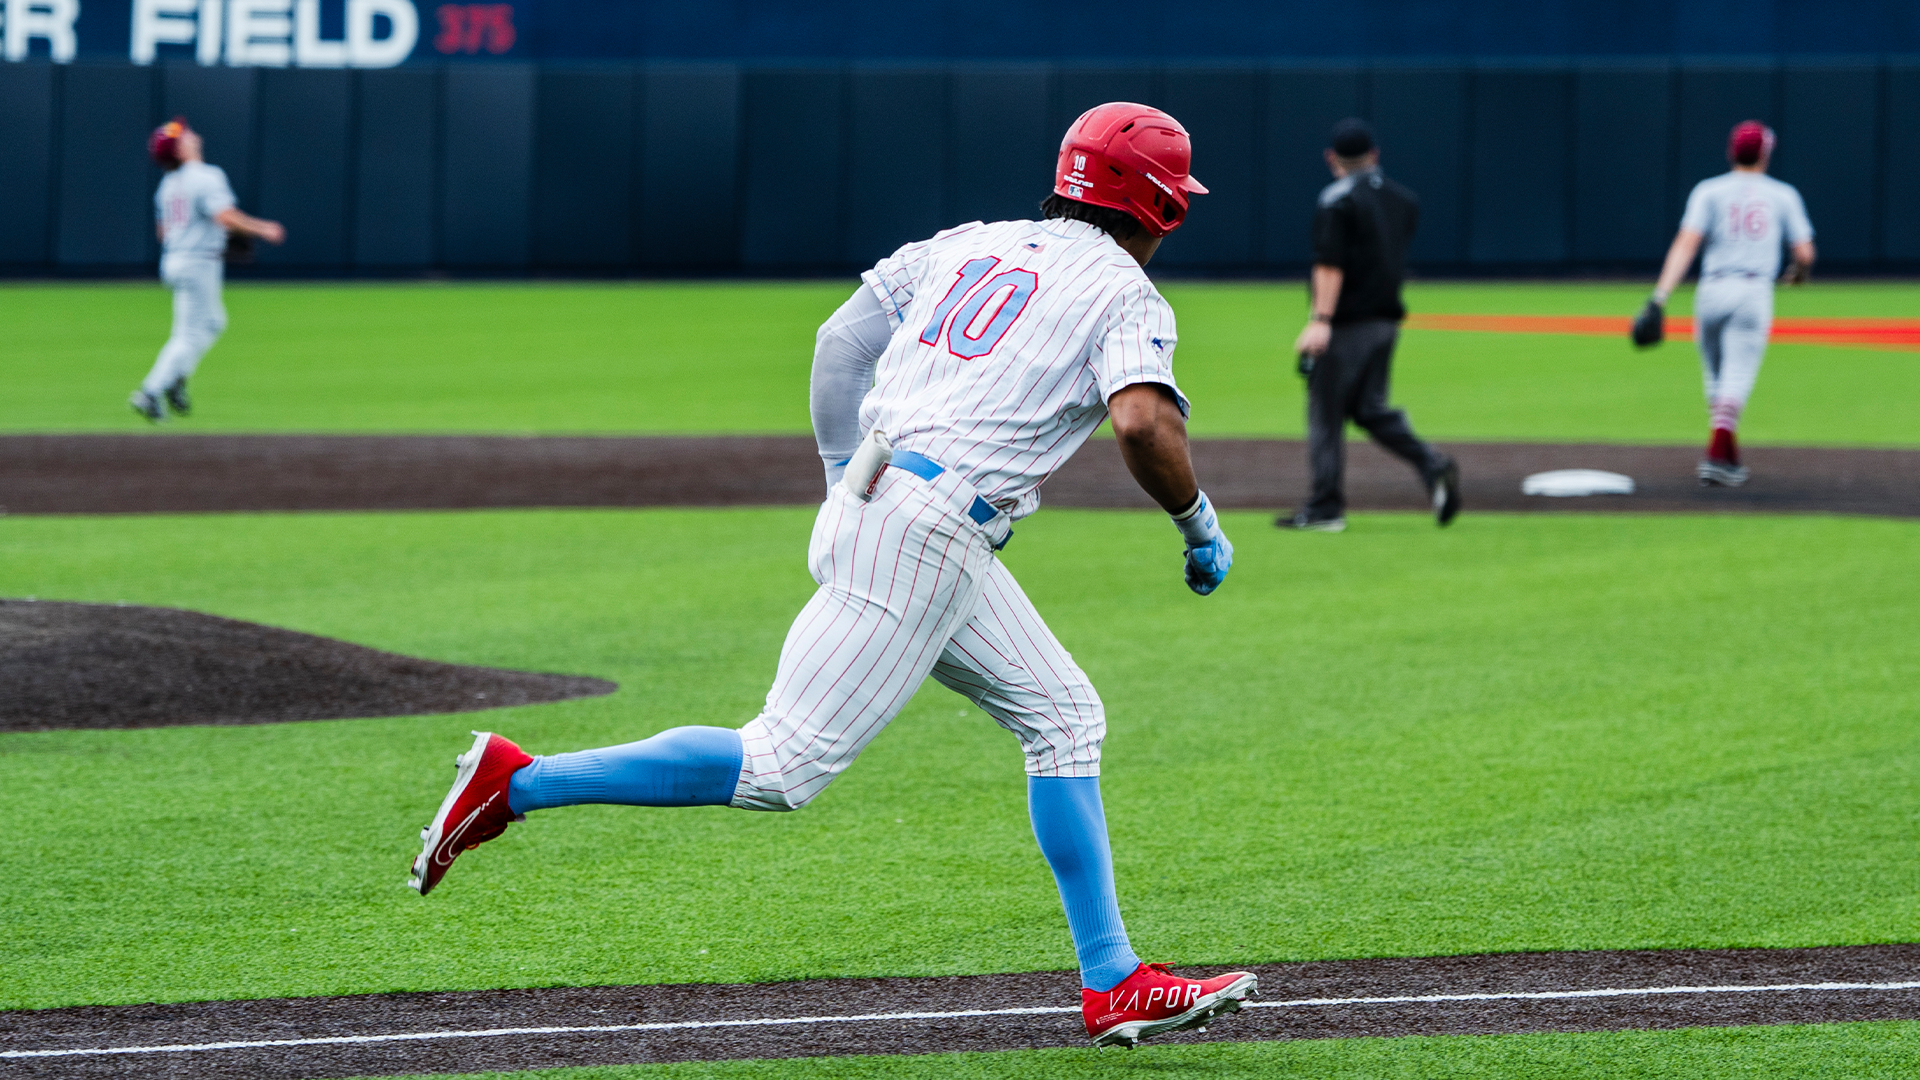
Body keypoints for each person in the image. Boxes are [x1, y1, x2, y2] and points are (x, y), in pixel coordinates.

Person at [406, 102, 1258, 1049]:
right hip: (928, 530)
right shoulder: (1128, 295)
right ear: (1162, 207)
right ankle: (515, 784)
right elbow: (1144, 424)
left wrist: (843, 482)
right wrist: (1196, 521)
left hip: (890, 497)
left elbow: (838, 344)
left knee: (1063, 717)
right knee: (782, 764)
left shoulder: (971, 240)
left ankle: (1114, 981)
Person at [1283, 118, 1458, 532]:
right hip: (1386, 322)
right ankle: (1433, 464)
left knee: (1326, 412)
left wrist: (1320, 320)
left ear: (1331, 158)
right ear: (1375, 155)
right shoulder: (1404, 200)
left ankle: (1326, 507)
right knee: (1369, 409)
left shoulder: (1337, 199)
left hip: (1345, 325)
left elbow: (1330, 264)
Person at [1634, 120, 1815, 487]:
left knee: (1715, 376)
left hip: (1711, 289)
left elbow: (1686, 245)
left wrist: (1660, 296)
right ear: (1765, 153)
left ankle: (1729, 458)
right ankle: (1717, 455)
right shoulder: (1782, 194)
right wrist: (1798, 272)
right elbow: (1805, 253)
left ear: (1731, 152)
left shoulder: (1708, 190)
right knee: (1736, 376)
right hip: (1752, 291)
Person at [131, 118, 284, 423]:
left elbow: (163, 231)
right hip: (197, 261)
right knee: (188, 335)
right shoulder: (206, 176)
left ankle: (176, 377)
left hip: (177, 259)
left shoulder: (167, 185)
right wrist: (263, 228)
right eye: (181, 135)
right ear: (179, 150)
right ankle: (150, 391)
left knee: (213, 322)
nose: (188, 134)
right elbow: (225, 216)